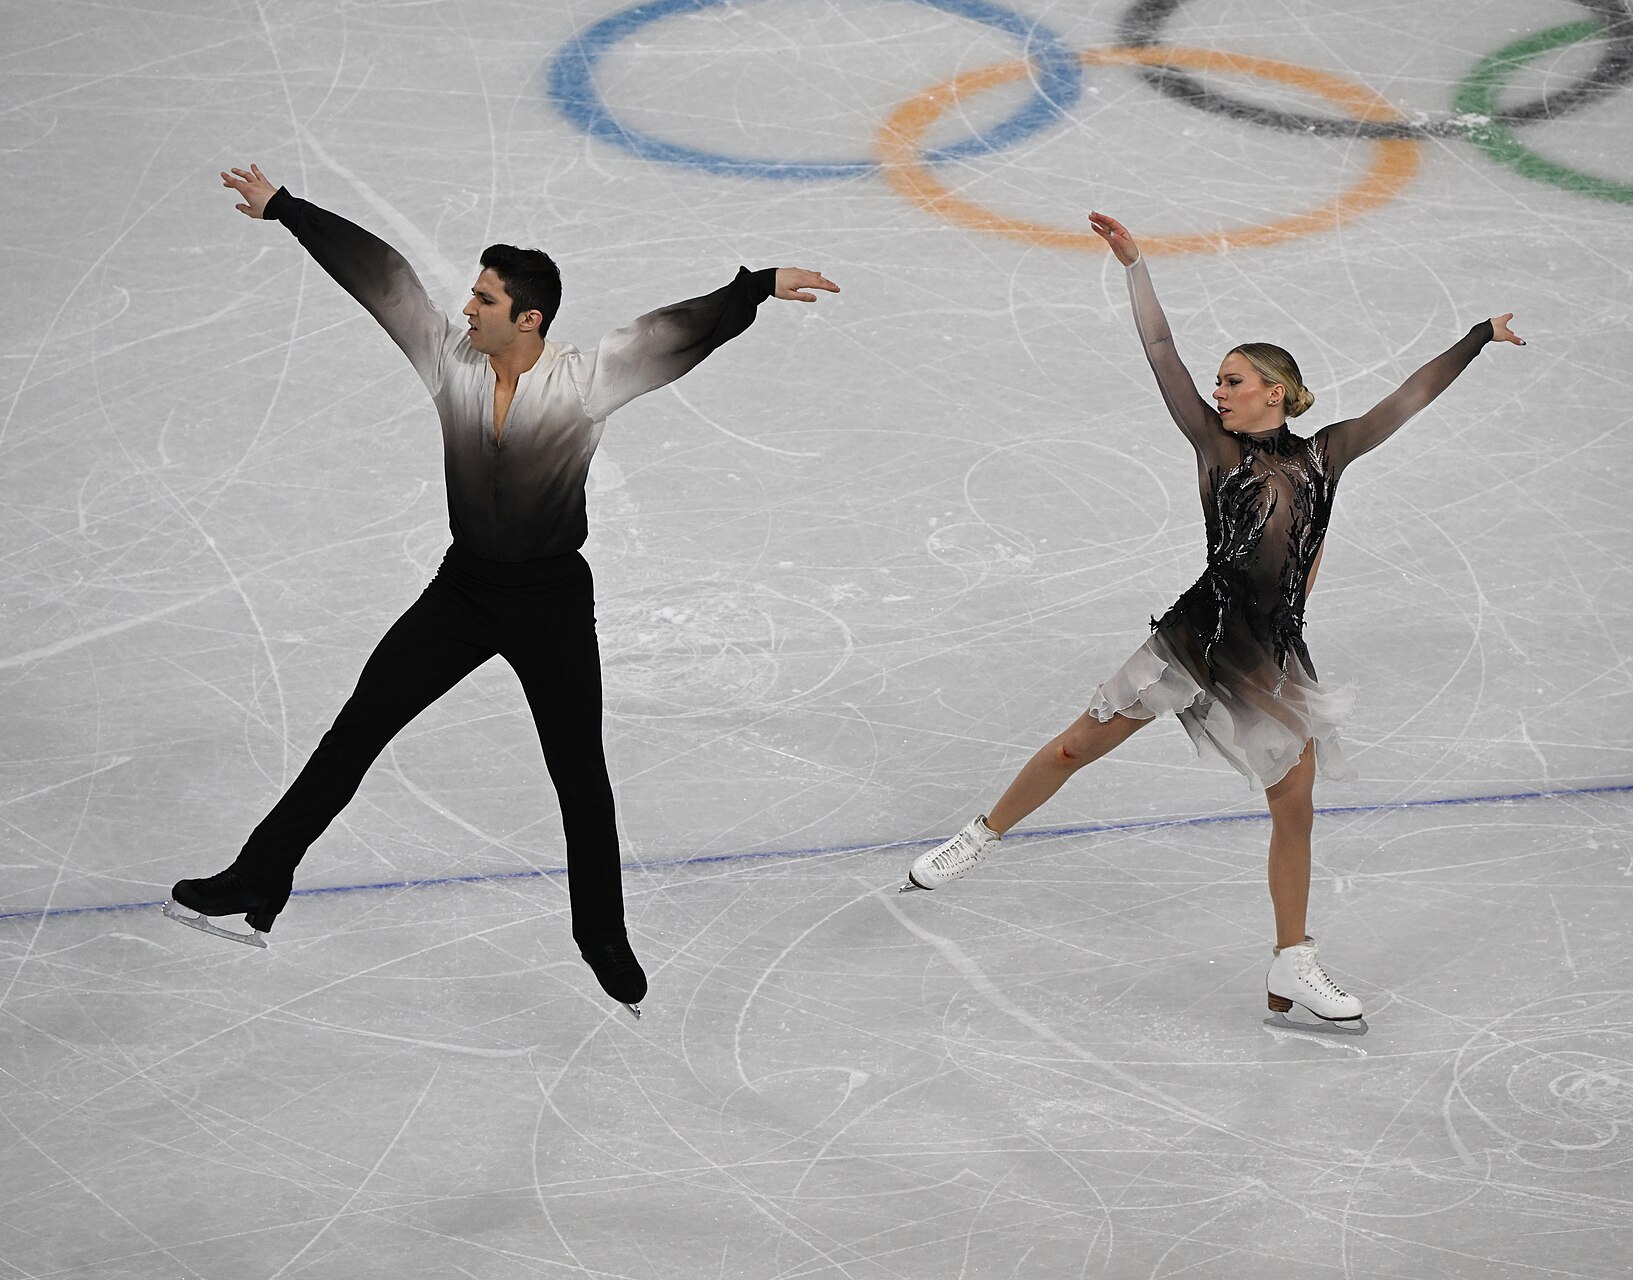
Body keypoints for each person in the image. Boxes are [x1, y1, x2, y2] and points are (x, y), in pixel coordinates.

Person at [165, 164, 838, 1017]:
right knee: (355, 732)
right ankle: (257, 880)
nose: (464, 310)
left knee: (578, 776)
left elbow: (680, 332)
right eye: (471, 296)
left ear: (529, 319)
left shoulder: (584, 382)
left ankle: (602, 938)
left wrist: (756, 287)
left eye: (483, 300)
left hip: (551, 602)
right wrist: (287, 210)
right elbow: (381, 277)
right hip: (465, 593)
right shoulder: (450, 363)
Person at [903, 211, 1522, 1028]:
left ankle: (1292, 963)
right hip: (1200, 634)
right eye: (1219, 381)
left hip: (1270, 651)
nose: (1218, 391)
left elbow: (1407, 398)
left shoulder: (1326, 453)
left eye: (1233, 380)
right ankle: (978, 837)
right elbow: (1161, 354)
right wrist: (1134, 267)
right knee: (1076, 744)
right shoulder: (1217, 451)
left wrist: (1477, 336)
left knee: (1293, 800)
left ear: (1276, 391)